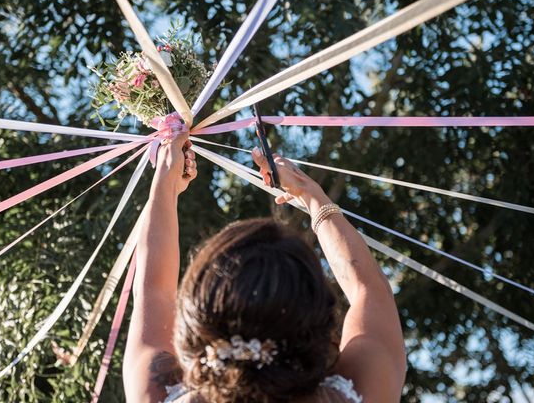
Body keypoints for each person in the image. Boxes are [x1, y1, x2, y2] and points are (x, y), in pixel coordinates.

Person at [123, 132, 406, 402]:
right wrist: (311, 195)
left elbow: (152, 292)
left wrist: (165, 180)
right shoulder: (356, 394)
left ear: (197, 313)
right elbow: (369, 289)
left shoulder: (157, 393)